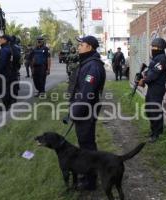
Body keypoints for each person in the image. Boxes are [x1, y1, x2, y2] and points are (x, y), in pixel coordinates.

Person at [70, 35, 106, 190]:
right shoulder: (88, 63)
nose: (78, 47)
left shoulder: (93, 66)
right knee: (85, 144)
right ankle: (88, 176)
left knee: (87, 147)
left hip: (86, 112)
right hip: (83, 111)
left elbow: (86, 94)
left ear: (89, 47)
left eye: (81, 44)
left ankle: (90, 182)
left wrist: (75, 112)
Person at [138, 37, 166, 143]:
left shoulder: (162, 59)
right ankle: (154, 131)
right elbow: (150, 71)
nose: (152, 48)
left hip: (157, 89)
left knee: (155, 110)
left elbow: (155, 73)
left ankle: (157, 133)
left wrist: (144, 80)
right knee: (149, 109)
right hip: (152, 88)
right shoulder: (156, 59)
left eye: (154, 47)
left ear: (160, 48)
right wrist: (143, 75)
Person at [0, 35, 12, 111]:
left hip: (3, 73)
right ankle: (7, 105)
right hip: (8, 72)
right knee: (6, 89)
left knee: (3, 90)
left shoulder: (4, 50)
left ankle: (5, 106)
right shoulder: (8, 48)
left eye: (1, 39)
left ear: (5, 40)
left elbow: (2, 62)